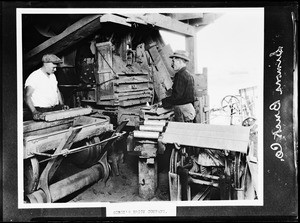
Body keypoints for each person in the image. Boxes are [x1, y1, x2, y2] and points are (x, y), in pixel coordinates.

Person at [24, 54, 68, 120]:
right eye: (53, 67)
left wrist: (62, 105)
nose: (55, 69)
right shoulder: (35, 76)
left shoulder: (52, 75)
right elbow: (27, 96)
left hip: (54, 109)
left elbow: (57, 91)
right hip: (41, 111)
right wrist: (34, 112)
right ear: (46, 64)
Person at [161, 50, 196, 122]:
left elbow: (177, 97)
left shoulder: (179, 75)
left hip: (183, 112)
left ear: (179, 61)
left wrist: (163, 102)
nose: (172, 65)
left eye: (173, 61)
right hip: (189, 111)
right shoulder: (188, 75)